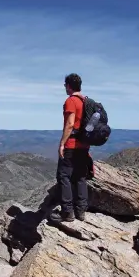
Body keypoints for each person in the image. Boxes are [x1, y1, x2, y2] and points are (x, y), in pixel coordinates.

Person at [50, 73, 90, 223]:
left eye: (65, 85)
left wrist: (62, 143)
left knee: (64, 177)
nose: (64, 88)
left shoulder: (71, 101)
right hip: (84, 145)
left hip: (72, 145)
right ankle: (81, 211)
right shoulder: (86, 101)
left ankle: (67, 212)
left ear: (68, 85)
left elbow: (70, 124)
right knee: (80, 177)